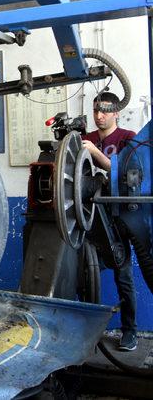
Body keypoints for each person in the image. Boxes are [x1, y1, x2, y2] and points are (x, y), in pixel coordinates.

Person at [82, 92, 138, 351]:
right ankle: (85, 331)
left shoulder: (129, 138)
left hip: (121, 216)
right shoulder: (86, 138)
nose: (99, 115)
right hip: (90, 217)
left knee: (123, 275)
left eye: (105, 110)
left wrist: (94, 152)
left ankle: (130, 332)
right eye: (96, 110)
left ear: (116, 112)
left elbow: (124, 172)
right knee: (85, 273)